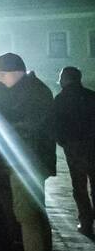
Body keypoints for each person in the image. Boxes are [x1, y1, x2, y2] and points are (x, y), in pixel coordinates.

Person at [0, 53, 55, 251]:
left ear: (15, 71)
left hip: (26, 162)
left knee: (28, 217)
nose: (0, 80)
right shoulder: (33, 90)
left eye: (2, 75)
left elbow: (25, 128)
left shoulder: (29, 93)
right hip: (32, 160)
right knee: (35, 216)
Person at [51, 66, 95, 238]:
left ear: (65, 80)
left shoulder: (61, 99)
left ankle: (86, 222)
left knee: (79, 187)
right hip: (92, 145)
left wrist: (64, 142)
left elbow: (55, 125)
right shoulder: (92, 96)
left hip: (74, 147)